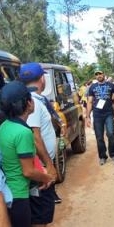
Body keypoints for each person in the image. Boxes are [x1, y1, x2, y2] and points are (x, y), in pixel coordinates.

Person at [0, 81, 55, 227]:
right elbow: (28, 171)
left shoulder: (4, 126)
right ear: (29, 104)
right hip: (19, 195)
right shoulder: (23, 132)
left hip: (8, 192)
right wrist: (47, 177)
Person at [19, 62, 60, 226]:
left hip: (38, 164)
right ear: (42, 79)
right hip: (39, 167)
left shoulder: (34, 100)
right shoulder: (33, 103)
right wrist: (48, 165)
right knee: (40, 216)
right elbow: (35, 137)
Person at [85, 68, 114, 166]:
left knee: (111, 134)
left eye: (100, 73)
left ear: (104, 74)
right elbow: (90, 102)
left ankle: (113, 155)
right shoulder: (92, 87)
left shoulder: (111, 85)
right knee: (99, 137)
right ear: (95, 76)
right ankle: (102, 157)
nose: (99, 75)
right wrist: (87, 117)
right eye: (97, 74)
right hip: (97, 115)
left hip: (109, 113)